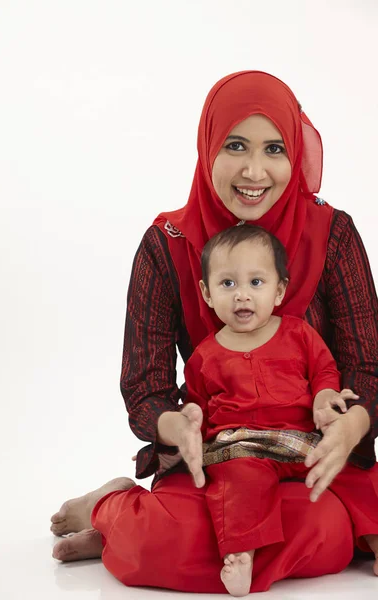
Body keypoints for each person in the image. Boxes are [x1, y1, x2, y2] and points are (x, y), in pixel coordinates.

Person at [50, 71, 378, 594]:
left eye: (274, 148)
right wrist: (173, 426)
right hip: (217, 466)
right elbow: (145, 385)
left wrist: (351, 424)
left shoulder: (331, 234)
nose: (254, 170)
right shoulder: (169, 245)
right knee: (161, 544)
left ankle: (128, 526)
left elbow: (367, 366)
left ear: (294, 153)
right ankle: (114, 507)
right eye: (235, 145)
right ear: (207, 148)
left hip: (308, 463)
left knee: (327, 531)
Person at [183, 222, 378, 596]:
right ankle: (241, 552)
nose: (242, 296)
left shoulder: (297, 332)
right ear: (206, 294)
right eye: (228, 284)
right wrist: (186, 428)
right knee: (239, 482)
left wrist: (324, 398)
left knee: (357, 469)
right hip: (242, 445)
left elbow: (324, 369)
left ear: (280, 290)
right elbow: (196, 404)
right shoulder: (204, 355)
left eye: (256, 283)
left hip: (303, 438)